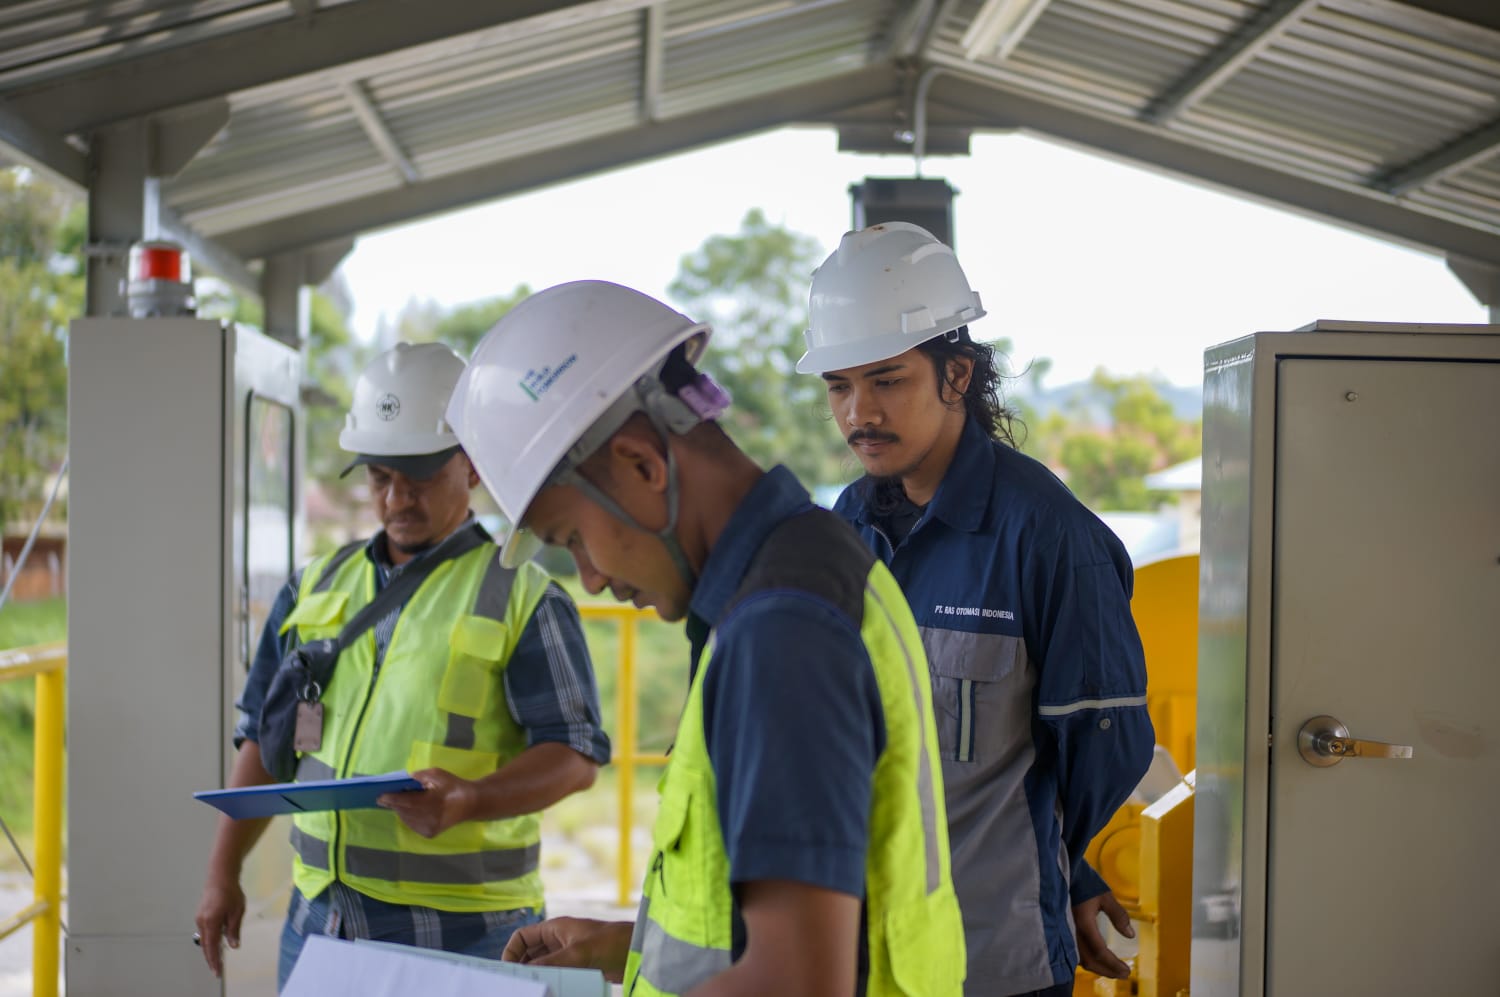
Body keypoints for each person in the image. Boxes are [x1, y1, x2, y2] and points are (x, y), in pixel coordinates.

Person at [445, 280, 965, 996]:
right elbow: (797, 928)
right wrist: (631, 946)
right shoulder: (812, 560)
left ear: (641, 464)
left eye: (573, 538)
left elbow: (795, 982)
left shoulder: (780, 629)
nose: (591, 580)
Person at [797, 222, 1154, 997]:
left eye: (887, 379)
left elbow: (1105, 740)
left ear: (956, 374)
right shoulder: (848, 521)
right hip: (860, 958)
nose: (859, 411)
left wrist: (1058, 862)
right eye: (838, 385)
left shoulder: (1051, 538)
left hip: (993, 964)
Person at [194, 341, 611, 990]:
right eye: (381, 476)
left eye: (419, 474)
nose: (397, 497)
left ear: (470, 467)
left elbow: (575, 754)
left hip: (470, 936)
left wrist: (473, 798)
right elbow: (264, 736)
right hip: (320, 925)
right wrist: (223, 871)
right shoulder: (315, 586)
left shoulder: (522, 596)